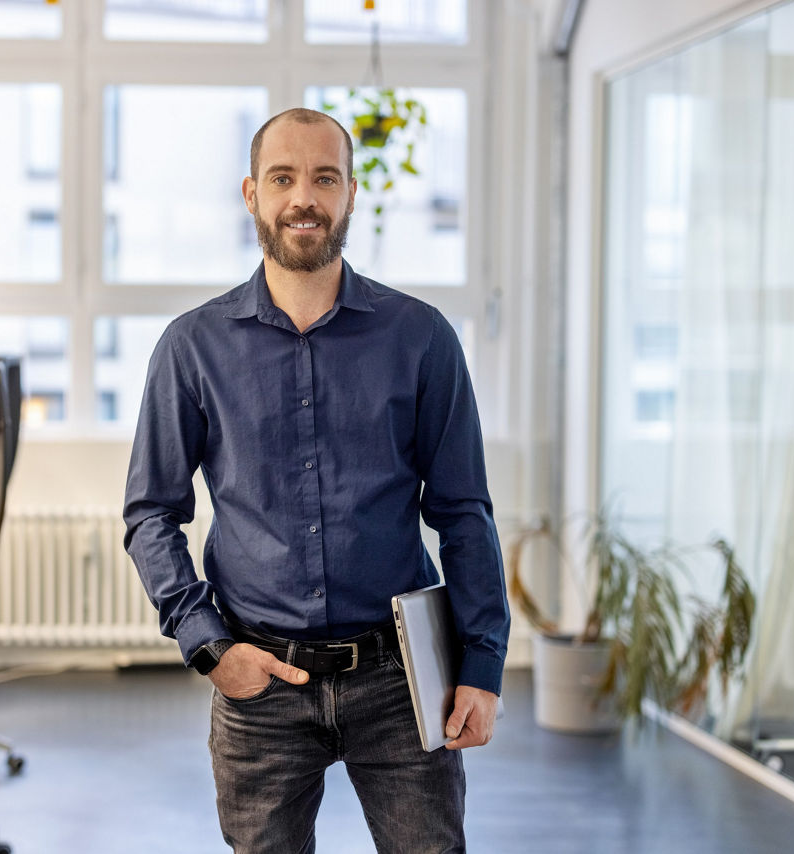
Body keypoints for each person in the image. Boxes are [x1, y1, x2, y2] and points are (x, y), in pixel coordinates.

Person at [123, 106, 509, 854]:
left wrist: (482, 666)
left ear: (351, 195)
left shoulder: (422, 338)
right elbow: (150, 515)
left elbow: (464, 512)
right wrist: (209, 645)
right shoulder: (191, 348)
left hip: (399, 680)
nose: (305, 196)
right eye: (284, 178)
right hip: (258, 680)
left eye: (324, 177)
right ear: (251, 195)